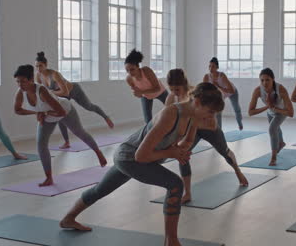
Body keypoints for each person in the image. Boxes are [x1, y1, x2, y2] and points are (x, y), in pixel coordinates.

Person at [60, 83, 225, 246]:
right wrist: (170, 152)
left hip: (136, 158)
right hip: (130, 158)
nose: (211, 117)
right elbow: (141, 156)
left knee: (100, 190)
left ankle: (68, 219)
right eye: (210, 111)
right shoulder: (171, 114)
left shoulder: (193, 116)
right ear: (196, 102)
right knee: (175, 184)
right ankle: (171, 241)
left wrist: (181, 150)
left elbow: (188, 140)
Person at [13, 65, 107, 186]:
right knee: (41, 144)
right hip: (47, 116)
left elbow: (61, 112)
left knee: (79, 133)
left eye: (23, 81)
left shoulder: (42, 91)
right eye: (18, 82)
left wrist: (44, 113)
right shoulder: (21, 92)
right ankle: (49, 178)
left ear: (31, 80)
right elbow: (17, 110)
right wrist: (37, 113)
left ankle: (98, 152)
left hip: (65, 110)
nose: (20, 85)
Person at [166, 69, 248, 203]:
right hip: (192, 129)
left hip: (209, 129)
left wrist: (191, 125)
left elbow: (211, 122)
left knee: (224, 152)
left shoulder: (198, 94)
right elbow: (171, 121)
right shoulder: (171, 99)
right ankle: (187, 193)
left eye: (177, 89)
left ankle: (238, 171)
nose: (174, 92)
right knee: (182, 156)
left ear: (184, 84)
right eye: (172, 89)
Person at [35, 52, 114, 149]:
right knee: (60, 116)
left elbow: (65, 92)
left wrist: (51, 93)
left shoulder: (55, 74)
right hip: (60, 95)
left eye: (40, 66)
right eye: (37, 66)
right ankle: (67, 142)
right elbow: (41, 91)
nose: (39, 69)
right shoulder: (38, 76)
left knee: (89, 106)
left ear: (46, 65)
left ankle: (106, 117)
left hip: (73, 90)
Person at [248, 68, 294, 166]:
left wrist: (273, 108)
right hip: (270, 112)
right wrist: (267, 107)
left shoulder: (281, 89)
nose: (265, 83)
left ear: (273, 79)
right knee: (276, 128)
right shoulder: (257, 90)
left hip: (282, 112)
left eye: (267, 80)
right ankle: (281, 143)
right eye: (262, 80)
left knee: (272, 128)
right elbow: (250, 112)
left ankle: (273, 158)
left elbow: (290, 113)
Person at [125, 49, 168, 123]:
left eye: (132, 69)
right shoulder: (129, 79)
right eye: (127, 70)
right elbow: (139, 95)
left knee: (173, 107)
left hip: (160, 92)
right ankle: (150, 132)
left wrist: (141, 92)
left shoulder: (146, 71)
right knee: (147, 120)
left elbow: (157, 88)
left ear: (138, 67)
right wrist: (137, 94)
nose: (130, 73)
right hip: (146, 96)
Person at [204, 57, 243, 130]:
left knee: (236, 108)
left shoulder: (222, 76)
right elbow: (204, 90)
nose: (210, 68)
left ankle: (240, 123)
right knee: (218, 111)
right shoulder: (206, 77)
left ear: (217, 67)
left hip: (231, 92)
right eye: (209, 66)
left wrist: (218, 86)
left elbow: (231, 90)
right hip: (220, 95)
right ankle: (219, 131)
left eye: (213, 66)